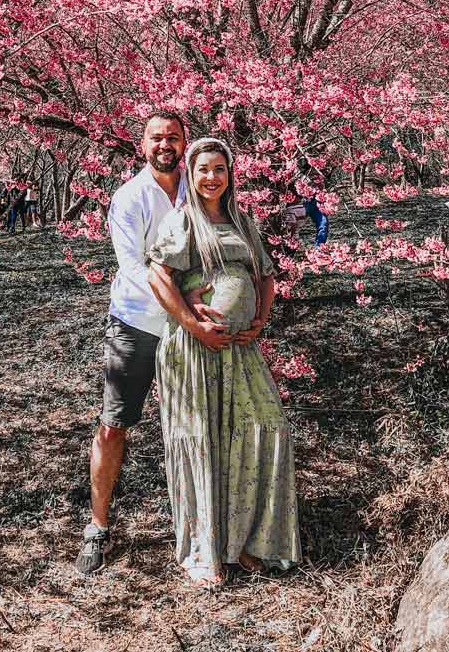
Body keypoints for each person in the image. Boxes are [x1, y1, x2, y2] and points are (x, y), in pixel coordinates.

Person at [146, 136, 301, 586]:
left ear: (230, 175)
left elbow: (266, 276)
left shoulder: (241, 221)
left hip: (240, 348)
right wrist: (194, 324)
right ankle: (204, 551)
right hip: (193, 351)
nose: (211, 177)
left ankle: (250, 541)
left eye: (219, 168)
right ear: (190, 176)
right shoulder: (183, 221)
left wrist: (260, 317)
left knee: (266, 427)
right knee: (202, 439)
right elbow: (159, 276)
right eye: (202, 170)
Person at [76, 111, 223, 575]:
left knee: (199, 424)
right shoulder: (129, 197)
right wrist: (185, 306)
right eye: (157, 138)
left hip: (189, 326)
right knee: (114, 423)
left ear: (185, 144)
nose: (165, 145)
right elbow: (134, 268)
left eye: (174, 138)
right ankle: (98, 527)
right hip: (138, 323)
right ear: (142, 145)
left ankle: (204, 525)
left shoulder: (199, 186)